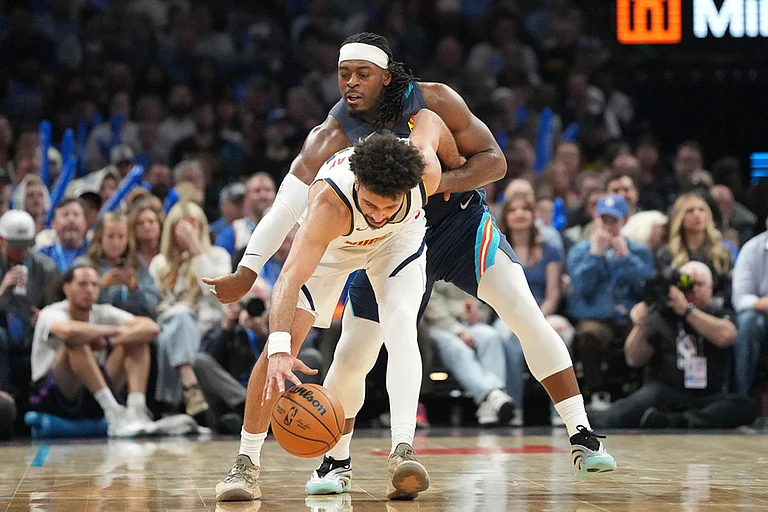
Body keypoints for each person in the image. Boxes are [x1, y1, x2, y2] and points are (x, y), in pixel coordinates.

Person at [205, 33, 615, 499]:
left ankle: (580, 433)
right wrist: (249, 270)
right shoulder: (331, 142)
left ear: (386, 76)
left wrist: (434, 185)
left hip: (448, 225)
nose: (351, 83)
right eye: (343, 74)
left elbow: (494, 162)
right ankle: (317, 460)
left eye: (362, 74)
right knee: (351, 352)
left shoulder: (432, 109)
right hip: (363, 236)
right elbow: (284, 208)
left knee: (519, 311)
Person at [211, 110, 450, 502]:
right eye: (370, 204)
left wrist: (454, 158)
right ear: (358, 183)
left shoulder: (424, 172)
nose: (377, 216)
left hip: (398, 243)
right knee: (278, 351)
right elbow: (288, 280)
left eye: (387, 207)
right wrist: (279, 348)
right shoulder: (329, 203)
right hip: (332, 248)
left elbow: (430, 118)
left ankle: (403, 450)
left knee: (402, 323)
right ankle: (245, 465)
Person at [595, 262, 757, 429]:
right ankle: (586, 421)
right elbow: (634, 359)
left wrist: (687, 310)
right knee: (620, 414)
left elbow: (726, 336)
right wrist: (640, 325)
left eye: (699, 284)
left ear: (710, 289)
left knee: (744, 406)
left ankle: (676, 421)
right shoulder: (662, 315)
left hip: (706, 396)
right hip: (664, 392)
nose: (693, 289)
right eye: (688, 284)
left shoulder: (720, 313)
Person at [29, 264, 159, 436]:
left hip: (94, 390)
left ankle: (136, 411)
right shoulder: (51, 312)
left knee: (137, 340)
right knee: (76, 341)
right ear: (67, 288)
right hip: (56, 392)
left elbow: (151, 328)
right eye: (82, 284)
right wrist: (111, 331)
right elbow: (67, 332)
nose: (89, 290)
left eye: (94, 285)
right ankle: (113, 411)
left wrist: (110, 340)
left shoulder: (103, 311)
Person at [567, 195, 655, 410]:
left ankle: (644, 391)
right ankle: (595, 392)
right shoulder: (580, 251)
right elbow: (581, 289)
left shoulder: (639, 251)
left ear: (625, 220)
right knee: (589, 334)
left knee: (650, 331)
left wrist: (626, 258)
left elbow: (647, 287)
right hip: (596, 318)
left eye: (613, 221)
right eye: (604, 220)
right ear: (596, 219)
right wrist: (595, 254)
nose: (608, 226)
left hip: (629, 317)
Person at [0, 210, 60, 393]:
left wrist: (45, 316)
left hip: (33, 332)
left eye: (25, 245)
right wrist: (3, 290)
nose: (21, 251)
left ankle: (41, 394)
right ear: (1, 240)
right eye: (16, 246)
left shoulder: (46, 267)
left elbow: (59, 309)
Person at [75, 213, 160, 318]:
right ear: (100, 237)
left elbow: (152, 306)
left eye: (121, 237)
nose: (116, 242)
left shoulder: (137, 264)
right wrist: (100, 287)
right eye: (110, 236)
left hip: (131, 323)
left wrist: (134, 288)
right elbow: (74, 303)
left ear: (128, 239)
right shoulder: (84, 265)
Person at [731, 218, 768, 396]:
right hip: (763, 316)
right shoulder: (752, 249)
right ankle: (741, 397)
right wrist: (764, 303)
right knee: (748, 321)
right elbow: (740, 298)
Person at [38, 198, 90, 272]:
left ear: (85, 222)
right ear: (53, 224)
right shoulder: (42, 256)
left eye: (76, 214)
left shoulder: (95, 255)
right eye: (65, 214)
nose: (71, 219)